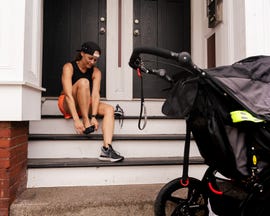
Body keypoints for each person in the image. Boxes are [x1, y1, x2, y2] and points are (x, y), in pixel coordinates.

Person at [58, 41, 124, 162]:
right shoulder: (69, 67)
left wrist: (94, 116)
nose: (92, 62)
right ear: (82, 53)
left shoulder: (96, 72)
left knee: (109, 109)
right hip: (67, 103)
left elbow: (95, 95)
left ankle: (106, 149)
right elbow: (68, 94)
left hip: (84, 104)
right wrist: (77, 120)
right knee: (84, 82)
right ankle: (86, 120)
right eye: (90, 58)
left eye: (95, 60)